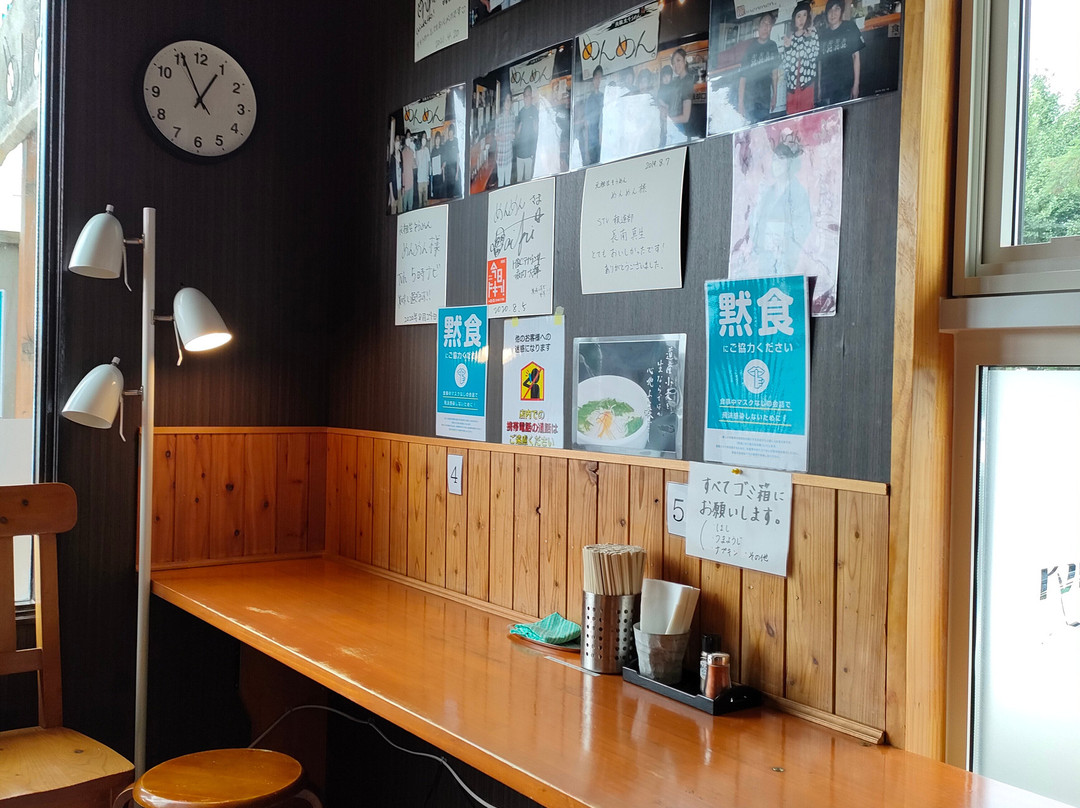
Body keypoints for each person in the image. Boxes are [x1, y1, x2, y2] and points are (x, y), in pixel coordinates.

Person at [817, 0, 865, 105]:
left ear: (841, 11)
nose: (833, 13)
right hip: (828, 89)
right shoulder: (822, 35)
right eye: (830, 10)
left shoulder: (849, 27)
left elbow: (856, 57)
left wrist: (856, 85)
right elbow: (820, 63)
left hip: (846, 86)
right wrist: (819, 88)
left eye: (837, 9)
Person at [738, 12, 781, 124]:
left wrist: (775, 96)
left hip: (765, 99)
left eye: (768, 24)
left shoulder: (772, 46)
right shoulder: (750, 48)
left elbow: (775, 73)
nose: (765, 27)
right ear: (758, 27)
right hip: (750, 99)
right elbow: (742, 77)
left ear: (771, 28)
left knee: (763, 128)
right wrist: (740, 103)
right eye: (763, 24)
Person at [781, 1, 819, 115]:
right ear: (794, 19)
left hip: (807, 84)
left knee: (806, 115)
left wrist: (808, 39)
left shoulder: (812, 33)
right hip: (792, 86)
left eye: (804, 15)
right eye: (798, 16)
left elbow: (813, 56)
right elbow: (786, 66)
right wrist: (787, 48)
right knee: (792, 117)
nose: (801, 19)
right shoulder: (790, 37)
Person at [663, 48, 695, 143]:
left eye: (678, 60)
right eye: (673, 63)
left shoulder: (688, 81)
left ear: (685, 60)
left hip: (681, 129)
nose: (675, 65)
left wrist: (669, 120)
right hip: (674, 126)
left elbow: (685, 117)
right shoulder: (676, 82)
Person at [514, 84, 539, 183]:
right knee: (519, 179)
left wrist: (534, 151)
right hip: (519, 152)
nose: (526, 98)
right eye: (525, 96)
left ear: (531, 96)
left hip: (529, 153)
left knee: (528, 179)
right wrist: (519, 127)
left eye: (528, 96)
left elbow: (536, 131)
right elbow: (516, 133)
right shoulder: (520, 112)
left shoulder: (534, 110)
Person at [580, 65, 604, 165]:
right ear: (593, 80)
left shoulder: (605, 97)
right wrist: (586, 151)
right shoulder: (589, 100)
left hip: (605, 143)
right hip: (592, 144)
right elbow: (586, 126)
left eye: (600, 78)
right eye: (596, 78)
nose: (598, 80)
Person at [494, 88, 516, 187]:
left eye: (509, 100)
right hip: (501, 156)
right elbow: (496, 137)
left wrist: (507, 136)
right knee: (500, 184)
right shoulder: (498, 118)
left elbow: (513, 135)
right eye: (506, 100)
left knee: (507, 183)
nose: (508, 102)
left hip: (509, 155)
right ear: (503, 102)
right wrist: (508, 136)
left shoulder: (512, 117)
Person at [442, 123, 461, 198]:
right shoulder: (446, 143)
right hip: (448, 171)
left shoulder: (456, 141)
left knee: (455, 192)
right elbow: (445, 159)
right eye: (449, 132)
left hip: (455, 168)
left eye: (451, 132)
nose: (450, 133)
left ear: (453, 132)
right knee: (448, 192)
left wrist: (457, 172)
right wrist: (443, 172)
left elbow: (457, 157)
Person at [401, 131, 416, 212]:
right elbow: (402, 171)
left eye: (409, 138)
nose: (408, 139)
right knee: (404, 207)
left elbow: (414, 166)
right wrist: (403, 186)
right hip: (405, 185)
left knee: (410, 206)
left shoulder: (412, 152)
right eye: (407, 137)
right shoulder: (402, 153)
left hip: (411, 183)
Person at [415, 131, 431, 207]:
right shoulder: (417, 151)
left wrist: (428, 178)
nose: (424, 139)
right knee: (420, 203)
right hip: (419, 180)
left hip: (425, 179)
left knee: (426, 201)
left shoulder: (427, 150)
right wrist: (419, 151)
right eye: (423, 137)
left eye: (425, 137)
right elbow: (417, 164)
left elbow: (428, 164)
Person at [430, 131, 444, 199]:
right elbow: (431, 162)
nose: (437, 140)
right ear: (435, 140)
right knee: (435, 194)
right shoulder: (433, 150)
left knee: (440, 194)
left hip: (440, 175)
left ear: (440, 140)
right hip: (435, 176)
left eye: (438, 139)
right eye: (436, 139)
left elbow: (444, 162)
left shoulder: (442, 149)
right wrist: (433, 167)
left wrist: (442, 168)